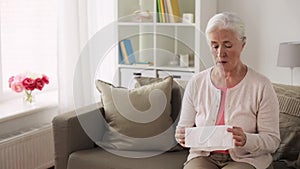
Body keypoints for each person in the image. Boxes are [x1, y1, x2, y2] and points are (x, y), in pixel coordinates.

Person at [175, 12, 280, 169]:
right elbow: (183, 129)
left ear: (243, 44)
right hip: (204, 157)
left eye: (227, 45)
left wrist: (246, 140)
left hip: (246, 159)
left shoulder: (261, 85)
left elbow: (272, 140)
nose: (220, 53)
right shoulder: (196, 82)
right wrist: (181, 136)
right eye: (215, 45)